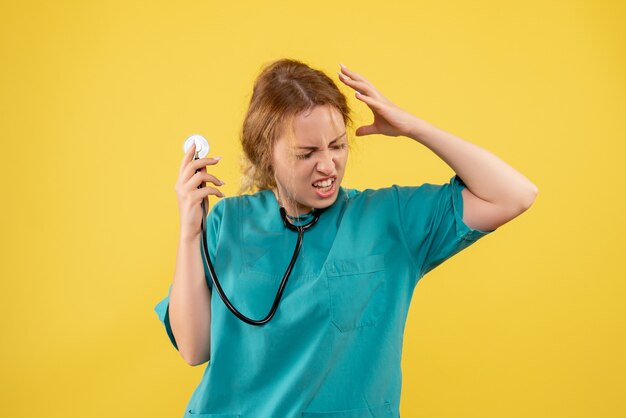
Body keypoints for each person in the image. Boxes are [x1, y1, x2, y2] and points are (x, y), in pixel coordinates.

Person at [154, 58, 538, 417]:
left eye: (337, 146)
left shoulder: (390, 220)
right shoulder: (228, 221)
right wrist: (190, 231)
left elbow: (514, 194)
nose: (328, 165)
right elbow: (194, 348)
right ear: (265, 154)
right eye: (306, 153)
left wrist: (413, 127)